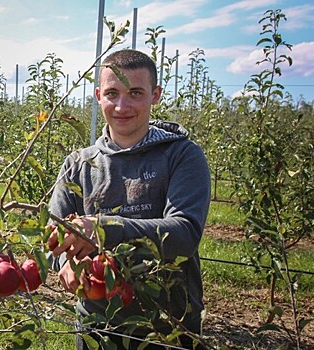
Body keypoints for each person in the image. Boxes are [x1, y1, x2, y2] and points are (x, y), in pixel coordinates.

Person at [47, 49, 211, 349]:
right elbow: (53, 237)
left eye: (135, 92)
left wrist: (103, 228)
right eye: (112, 93)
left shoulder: (182, 156)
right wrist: (64, 261)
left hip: (167, 324)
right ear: (98, 95)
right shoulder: (78, 165)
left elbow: (184, 233)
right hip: (96, 325)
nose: (122, 106)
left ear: (155, 95)